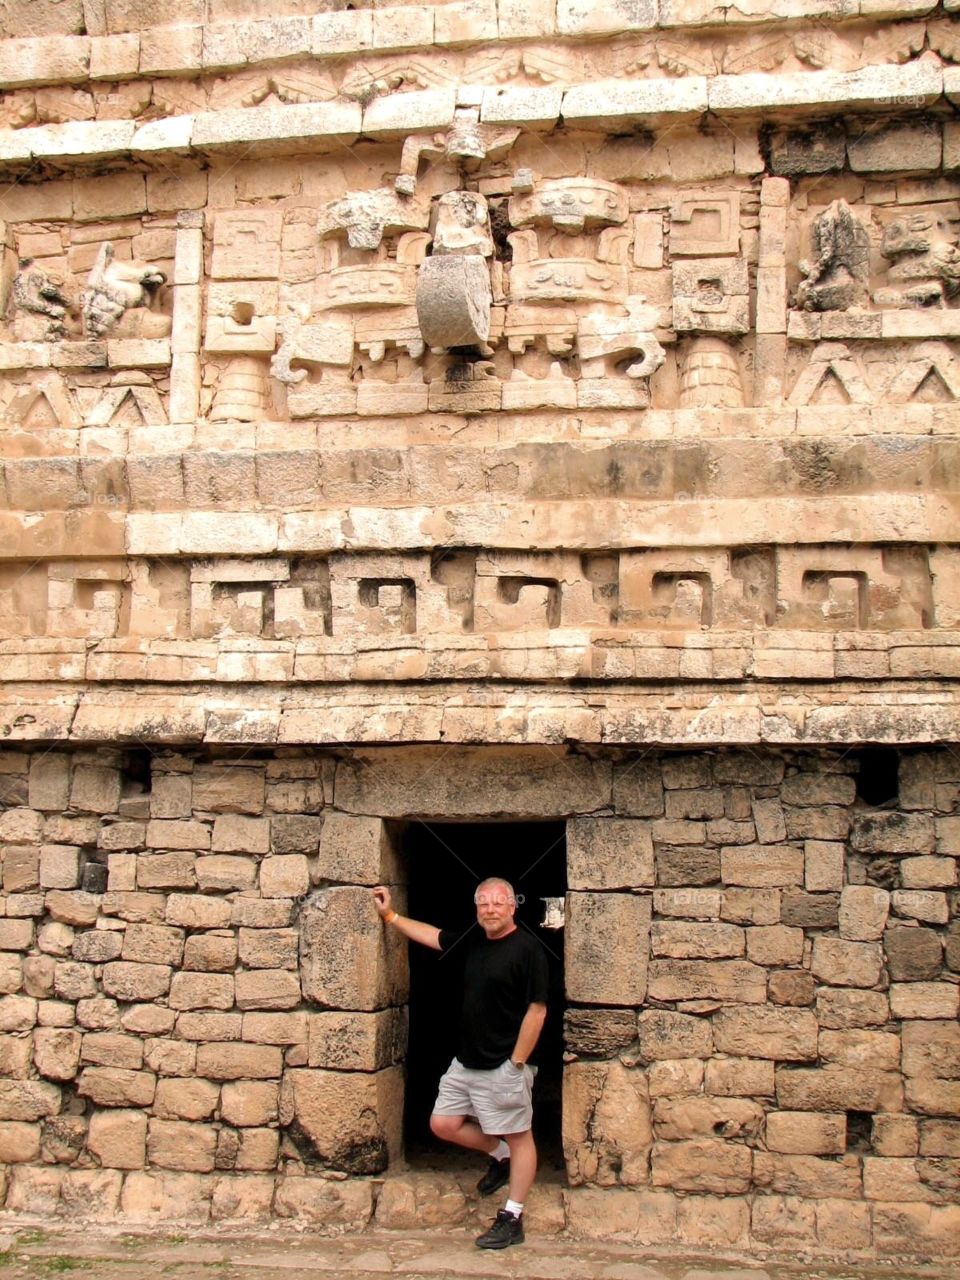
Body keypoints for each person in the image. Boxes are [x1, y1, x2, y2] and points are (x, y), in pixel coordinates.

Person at [373, 877, 548, 1251]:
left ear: (512, 906)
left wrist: (516, 1063)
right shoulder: (474, 939)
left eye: (497, 903)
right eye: (483, 903)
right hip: (466, 1062)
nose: (490, 909)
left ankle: (513, 1216)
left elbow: (537, 1009)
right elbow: (433, 936)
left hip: (505, 1064)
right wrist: (390, 916)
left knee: (520, 1137)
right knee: (444, 1124)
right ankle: (498, 1157)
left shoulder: (528, 949)